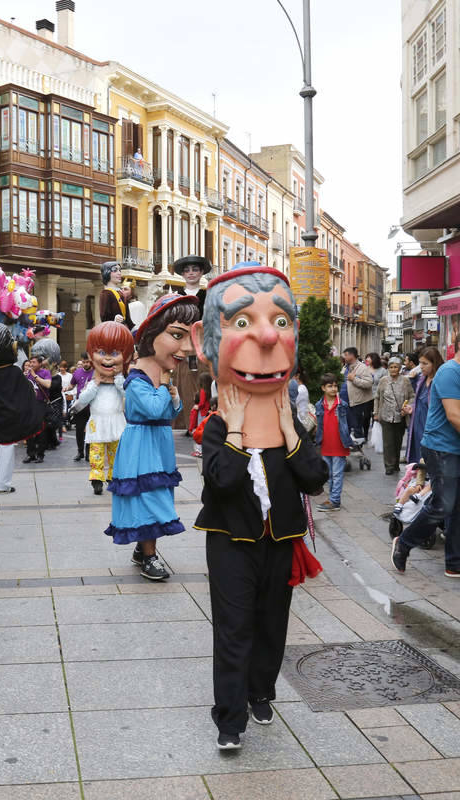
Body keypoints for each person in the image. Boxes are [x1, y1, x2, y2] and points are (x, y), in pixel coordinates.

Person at [192, 262, 327, 751]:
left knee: (273, 623)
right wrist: (232, 429)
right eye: (243, 322)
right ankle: (230, 721)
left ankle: (261, 691)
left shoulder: (293, 421)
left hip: (280, 540)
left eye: (282, 321)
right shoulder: (213, 427)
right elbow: (222, 483)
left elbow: (315, 479)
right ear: (205, 341)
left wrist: (292, 433)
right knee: (233, 628)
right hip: (231, 540)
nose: (268, 337)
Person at [106, 294, 199, 580]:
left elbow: (173, 411)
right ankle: (148, 556)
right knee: (148, 496)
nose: (186, 348)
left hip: (156, 443)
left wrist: (171, 395)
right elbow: (154, 408)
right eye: (177, 335)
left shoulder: (154, 378)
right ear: (151, 334)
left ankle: (141, 549)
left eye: (189, 338)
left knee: (152, 494)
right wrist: (166, 388)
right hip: (142, 444)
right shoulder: (138, 379)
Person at [392, 332, 460, 579]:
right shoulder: (450, 372)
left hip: (455, 447)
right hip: (440, 447)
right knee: (443, 504)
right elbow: (454, 415)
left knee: (456, 506)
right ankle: (404, 542)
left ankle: (454, 562)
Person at [70, 321, 134, 495]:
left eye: (114, 353)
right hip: (97, 422)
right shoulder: (93, 383)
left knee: (116, 453)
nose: (107, 358)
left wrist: (119, 378)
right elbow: (83, 399)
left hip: (116, 421)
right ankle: (96, 479)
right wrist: (96, 383)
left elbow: (127, 395)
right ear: (92, 355)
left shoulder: (122, 382)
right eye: (101, 353)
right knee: (96, 453)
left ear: (126, 357)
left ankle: (114, 477)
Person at [0, 324, 47, 493]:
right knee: (6, 449)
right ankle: (3, 483)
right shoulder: (14, 372)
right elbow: (27, 393)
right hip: (8, 418)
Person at [315, 373, 352, 511]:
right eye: (330, 386)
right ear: (323, 388)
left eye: (335, 385)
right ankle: (332, 499)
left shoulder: (342, 405)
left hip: (339, 444)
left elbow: (349, 423)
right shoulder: (319, 405)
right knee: (329, 474)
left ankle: (335, 500)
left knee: (337, 474)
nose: (333, 388)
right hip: (325, 444)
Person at [373, 357, 414, 475]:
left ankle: (395, 464)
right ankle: (389, 466)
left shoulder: (405, 381)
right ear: (388, 368)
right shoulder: (383, 381)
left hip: (400, 416)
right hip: (386, 415)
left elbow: (412, 396)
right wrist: (376, 413)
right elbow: (377, 397)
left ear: (400, 368)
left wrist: (408, 407)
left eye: (396, 367)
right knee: (388, 442)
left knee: (398, 441)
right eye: (391, 367)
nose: (393, 369)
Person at [405, 346, 444, 464]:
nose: (421, 366)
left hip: (432, 426)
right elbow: (419, 401)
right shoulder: (421, 380)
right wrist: (412, 407)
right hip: (418, 424)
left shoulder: (440, 381)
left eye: (425, 363)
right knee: (419, 458)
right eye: (420, 363)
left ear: (434, 363)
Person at [342, 347, 373, 443]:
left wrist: (354, 379)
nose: (344, 357)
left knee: (357, 428)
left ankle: (358, 452)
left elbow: (368, 383)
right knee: (346, 426)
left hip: (356, 403)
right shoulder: (345, 367)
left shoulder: (362, 367)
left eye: (346, 355)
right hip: (345, 403)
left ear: (352, 355)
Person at [70, 355, 94, 462]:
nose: (86, 364)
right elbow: (72, 385)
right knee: (79, 430)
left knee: (91, 430)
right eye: (84, 362)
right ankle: (80, 452)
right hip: (80, 406)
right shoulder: (77, 372)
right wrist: (66, 388)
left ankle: (89, 453)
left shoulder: (96, 373)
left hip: (92, 406)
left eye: (88, 362)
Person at [99, 262, 134, 329]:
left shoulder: (121, 293)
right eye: (115, 270)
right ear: (107, 273)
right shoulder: (106, 293)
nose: (119, 273)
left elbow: (128, 318)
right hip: (113, 331)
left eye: (119, 270)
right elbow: (104, 317)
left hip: (124, 329)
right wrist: (114, 320)